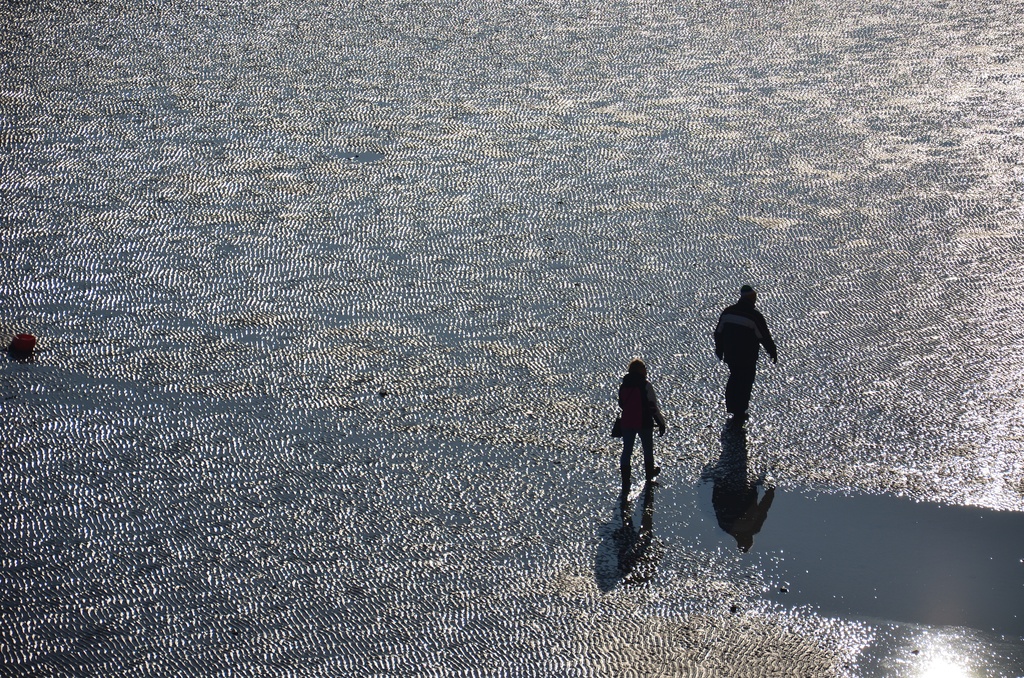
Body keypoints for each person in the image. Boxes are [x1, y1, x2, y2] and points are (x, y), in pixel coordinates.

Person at [714, 285, 778, 428]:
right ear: (751, 298)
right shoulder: (754, 316)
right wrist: (772, 351)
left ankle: (732, 407)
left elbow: (718, 332)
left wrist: (719, 350)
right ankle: (740, 411)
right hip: (747, 356)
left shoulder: (728, 312)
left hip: (731, 354)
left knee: (734, 378)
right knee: (745, 382)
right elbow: (764, 337)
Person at [617, 359, 667, 487]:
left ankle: (625, 479)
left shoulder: (624, 385)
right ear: (642, 370)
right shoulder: (646, 385)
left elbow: (621, 404)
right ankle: (649, 475)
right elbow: (653, 406)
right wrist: (661, 423)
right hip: (643, 421)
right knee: (647, 449)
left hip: (627, 421)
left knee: (627, 450)